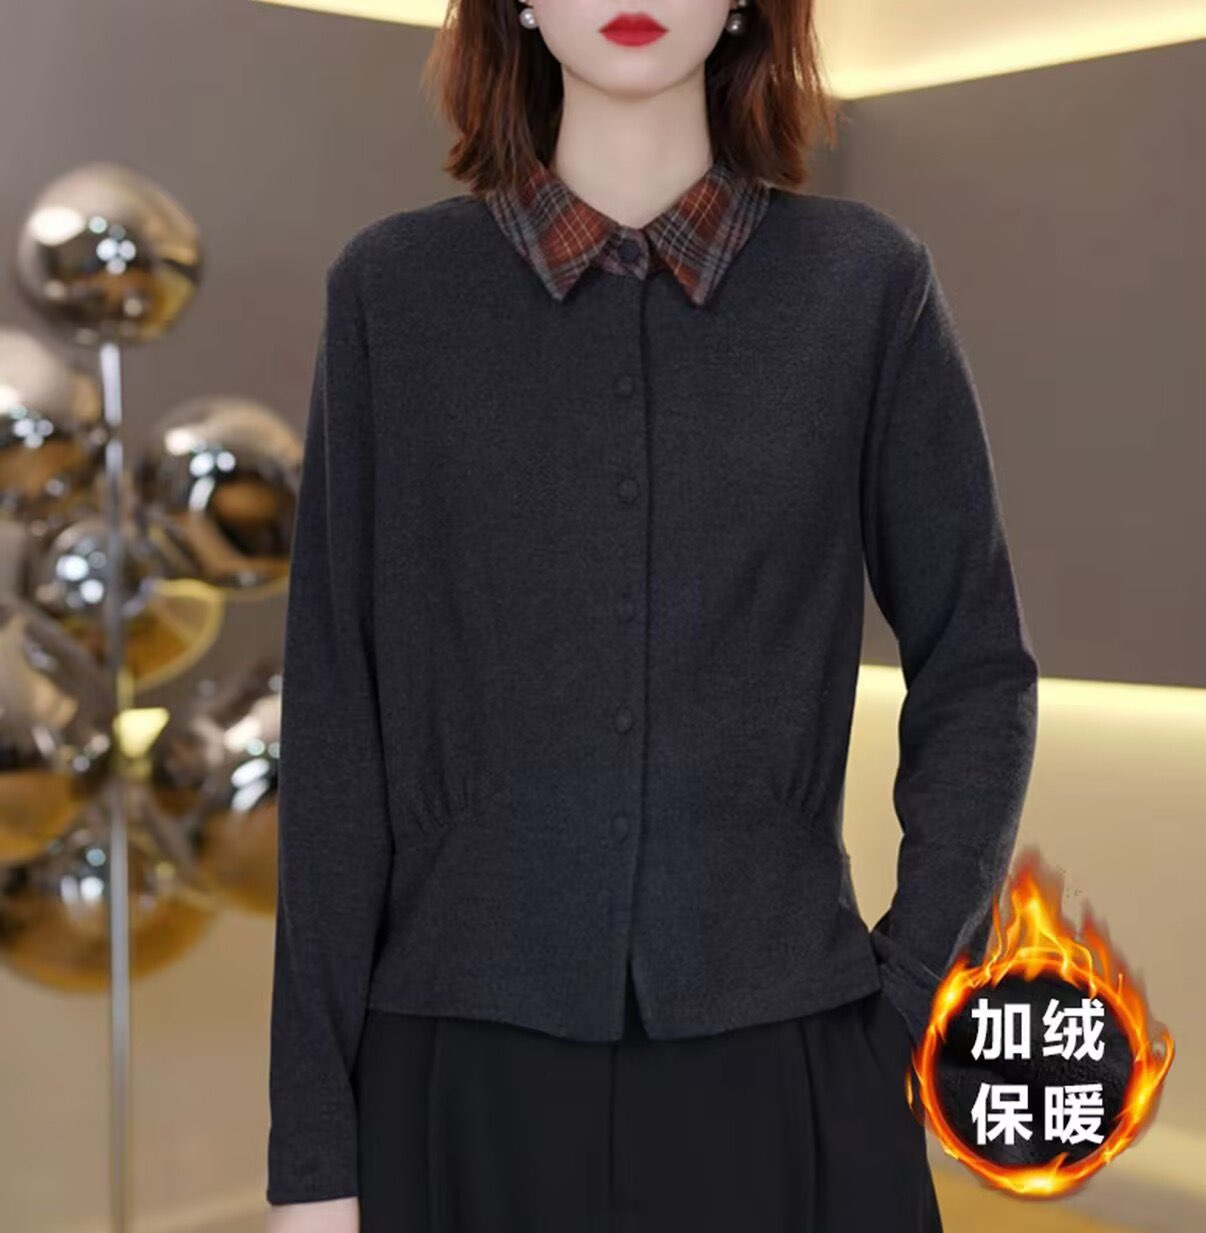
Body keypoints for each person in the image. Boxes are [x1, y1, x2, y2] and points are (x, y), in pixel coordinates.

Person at [265, 1, 1040, 1230]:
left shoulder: (862, 284)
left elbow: (977, 668)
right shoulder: (395, 294)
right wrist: (313, 1150)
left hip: (792, 1055)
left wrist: (906, 998)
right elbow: (333, 724)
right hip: (457, 1068)